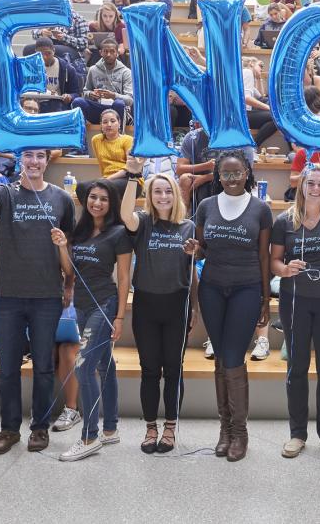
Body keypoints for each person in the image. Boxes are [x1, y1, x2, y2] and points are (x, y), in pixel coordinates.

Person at [0, 133, 76, 455]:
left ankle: (39, 428)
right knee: (8, 367)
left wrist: (67, 281)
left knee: (43, 366)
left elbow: (69, 255)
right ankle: (9, 429)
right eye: (28, 156)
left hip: (47, 297)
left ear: (47, 160)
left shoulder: (61, 199)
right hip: (10, 297)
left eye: (40, 156)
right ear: (19, 159)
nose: (34, 162)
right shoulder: (5, 193)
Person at [187, 151, 272, 461]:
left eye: (238, 173)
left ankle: (240, 432)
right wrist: (194, 249)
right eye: (227, 173)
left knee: (234, 357)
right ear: (218, 175)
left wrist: (265, 297)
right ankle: (224, 430)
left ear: (247, 172)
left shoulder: (260, 209)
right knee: (220, 358)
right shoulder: (206, 206)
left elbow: (264, 257)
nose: (233, 178)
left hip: (246, 289)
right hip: (212, 289)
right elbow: (202, 250)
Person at [271, 164, 320, 460]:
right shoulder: (284, 221)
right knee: (297, 369)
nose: (315, 189)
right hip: (295, 302)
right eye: (311, 183)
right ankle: (297, 433)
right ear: (301, 187)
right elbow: (274, 263)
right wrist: (285, 270)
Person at [49, 180, 131, 461]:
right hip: (80, 306)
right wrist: (62, 246)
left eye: (104, 199)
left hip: (104, 305)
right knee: (105, 364)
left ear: (112, 204)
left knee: (84, 368)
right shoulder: (80, 232)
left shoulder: (119, 233)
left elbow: (123, 278)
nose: (97, 203)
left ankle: (89, 437)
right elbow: (70, 272)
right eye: (93, 197)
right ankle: (110, 430)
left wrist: (119, 316)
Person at [121, 168, 197, 454]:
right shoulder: (142, 222)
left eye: (168, 191)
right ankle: (151, 427)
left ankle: (170, 428)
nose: (163, 196)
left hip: (177, 304)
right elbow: (125, 214)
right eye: (157, 191)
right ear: (149, 197)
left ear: (175, 195)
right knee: (150, 369)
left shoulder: (187, 226)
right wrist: (132, 175)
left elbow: (193, 273)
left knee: (174, 370)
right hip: (146, 305)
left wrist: (196, 307)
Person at [178, 126, 258, 212]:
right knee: (185, 179)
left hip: (227, 179)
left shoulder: (239, 138)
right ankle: (184, 219)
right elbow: (179, 169)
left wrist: (205, 178)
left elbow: (245, 173)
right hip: (198, 181)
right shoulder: (192, 137)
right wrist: (207, 166)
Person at [72, 38, 134, 126]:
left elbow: (130, 100)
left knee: (119, 103)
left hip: (117, 109)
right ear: (101, 53)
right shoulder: (93, 70)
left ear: (117, 53)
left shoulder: (126, 72)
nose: (109, 54)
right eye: (105, 51)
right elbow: (85, 92)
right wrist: (90, 94)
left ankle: (119, 135)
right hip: (98, 107)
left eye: (112, 51)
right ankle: (81, 135)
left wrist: (113, 96)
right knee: (77, 102)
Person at [243, 56, 286, 150]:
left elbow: (261, 97)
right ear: (251, 64)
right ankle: (253, 146)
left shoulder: (247, 75)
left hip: (244, 114)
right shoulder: (247, 72)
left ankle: (253, 146)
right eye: (260, 66)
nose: (262, 69)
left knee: (273, 112)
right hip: (242, 115)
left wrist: (259, 78)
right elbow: (247, 98)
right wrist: (270, 109)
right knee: (276, 118)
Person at [30, 37, 80, 114]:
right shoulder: (30, 68)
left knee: (54, 106)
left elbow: (76, 93)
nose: (44, 57)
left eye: (48, 53)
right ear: (35, 52)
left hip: (57, 103)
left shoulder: (67, 68)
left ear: (54, 50)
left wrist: (69, 96)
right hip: (35, 102)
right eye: (40, 54)